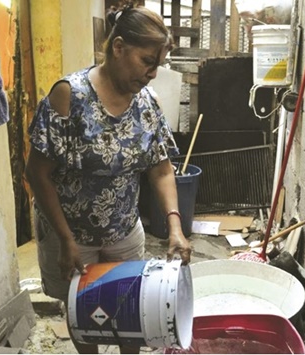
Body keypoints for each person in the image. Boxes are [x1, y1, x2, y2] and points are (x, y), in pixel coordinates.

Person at [24, 4, 191, 354]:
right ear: (118, 48)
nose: (151, 74)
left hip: (123, 231)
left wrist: (174, 225)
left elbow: (160, 167)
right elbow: (37, 174)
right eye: (147, 61)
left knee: (131, 314)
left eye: (157, 65)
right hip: (70, 235)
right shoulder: (69, 96)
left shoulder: (147, 103)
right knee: (86, 318)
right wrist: (66, 239)